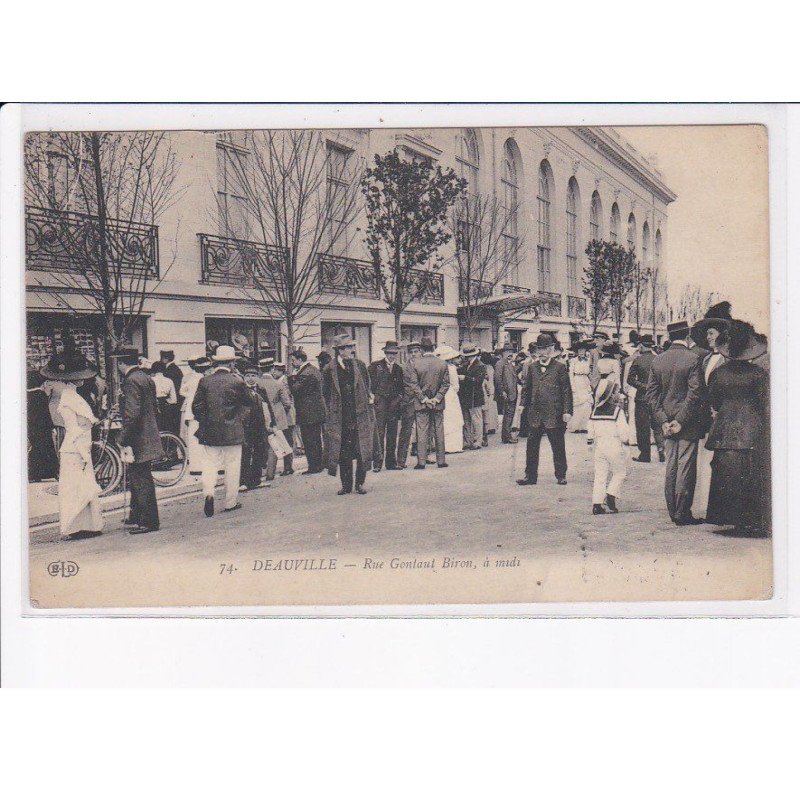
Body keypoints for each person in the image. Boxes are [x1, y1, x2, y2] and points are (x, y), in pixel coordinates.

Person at [704, 319, 770, 533]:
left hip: (724, 430)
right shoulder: (759, 374)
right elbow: (765, 402)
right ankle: (750, 519)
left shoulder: (718, 374)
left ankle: (728, 517)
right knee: (751, 473)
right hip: (752, 430)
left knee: (726, 474)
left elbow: (712, 400)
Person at [644, 320, 707, 526]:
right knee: (686, 467)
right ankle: (682, 513)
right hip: (687, 423)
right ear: (688, 337)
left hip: (666, 422)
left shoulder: (658, 360)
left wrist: (663, 420)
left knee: (671, 466)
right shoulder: (693, 359)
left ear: (669, 338)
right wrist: (680, 420)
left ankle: (673, 510)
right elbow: (695, 393)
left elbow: (651, 395)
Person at [40, 353, 104, 540]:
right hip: (75, 448)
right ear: (72, 379)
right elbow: (74, 429)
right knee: (77, 487)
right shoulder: (68, 398)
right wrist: (84, 453)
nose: (83, 379)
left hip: (80, 446)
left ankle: (87, 525)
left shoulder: (73, 396)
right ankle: (76, 526)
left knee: (81, 487)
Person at [192, 344, 253, 517]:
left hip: (210, 431)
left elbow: (196, 406)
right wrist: (239, 420)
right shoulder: (237, 381)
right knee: (232, 467)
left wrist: (205, 422)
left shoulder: (205, 381)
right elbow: (248, 404)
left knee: (209, 465)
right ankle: (230, 502)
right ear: (232, 363)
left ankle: (209, 493)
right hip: (233, 431)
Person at [689, 302, 733, 518]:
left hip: (723, 419)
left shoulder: (728, 359)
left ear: (721, 334)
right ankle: (705, 507)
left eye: (711, 332)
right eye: (707, 333)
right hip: (706, 419)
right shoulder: (706, 358)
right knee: (704, 463)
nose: (708, 337)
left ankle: (719, 509)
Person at [116, 348, 163, 534]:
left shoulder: (131, 381)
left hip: (138, 436)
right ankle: (136, 515)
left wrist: (123, 438)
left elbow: (132, 414)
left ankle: (149, 521)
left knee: (140, 478)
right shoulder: (145, 377)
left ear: (121, 363)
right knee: (139, 476)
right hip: (148, 432)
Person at [517, 333, 573, 486]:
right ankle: (530, 476)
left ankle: (561, 475)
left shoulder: (560, 367)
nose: (541, 353)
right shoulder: (532, 367)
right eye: (539, 349)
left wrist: (567, 411)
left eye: (545, 349)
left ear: (551, 349)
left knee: (558, 445)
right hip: (535, 413)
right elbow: (526, 388)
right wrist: (522, 404)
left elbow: (566, 390)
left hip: (553, 413)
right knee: (531, 446)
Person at [322, 334, 374, 495]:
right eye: (347, 347)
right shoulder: (329, 369)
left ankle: (360, 484)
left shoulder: (360, 365)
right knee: (343, 452)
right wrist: (329, 414)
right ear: (339, 350)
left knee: (361, 450)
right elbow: (325, 393)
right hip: (340, 418)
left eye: (352, 347)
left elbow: (367, 388)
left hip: (359, 416)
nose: (351, 350)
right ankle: (346, 485)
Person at [406, 336, 450, 469]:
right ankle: (441, 461)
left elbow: (414, 385)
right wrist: (437, 398)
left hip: (422, 403)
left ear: (421, 349)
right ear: (433, 348)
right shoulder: (442, 363)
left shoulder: (416, 364)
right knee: (439, 430)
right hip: (438, 402)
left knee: (422, 431)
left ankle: (421, 461)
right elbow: (446, 384)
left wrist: (424, 399)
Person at [587, 376, 629, 515]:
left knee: (600, 475)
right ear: (611, 395)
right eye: (616, 392)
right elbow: (624, 434)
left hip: (599, 446)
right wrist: (626, 443)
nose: (618, 394)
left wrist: (591, 442)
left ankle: (597, 504)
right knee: (620, 472)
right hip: (614, 445)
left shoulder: (594, 411)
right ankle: (611, 494)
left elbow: (590, 433)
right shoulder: (617, 411)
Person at [627, 334, 665, 463]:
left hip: (642, 398)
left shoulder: (637, 360)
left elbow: (630, 379)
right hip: (656, 398)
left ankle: (645, 455)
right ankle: (661, 452)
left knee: (642, 427)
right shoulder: (659, 359)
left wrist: (643, 386)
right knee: (658, 426)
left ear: (642, 346)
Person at [368, 341, 404, 472]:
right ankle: (377, 463)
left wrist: (398, 399)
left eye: (394, 353)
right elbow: (369, 384)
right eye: (390, 353)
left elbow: (401, 388)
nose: (392, 356)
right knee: (379, 433)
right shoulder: (374, 366)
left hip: (394, 405)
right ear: (385, 353)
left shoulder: (399, 369)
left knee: (392, 433)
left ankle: (391, 463)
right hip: (380, 404)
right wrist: (374, 397)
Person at [289, 349, 326, 475]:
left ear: (300, 360)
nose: (292, 363)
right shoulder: (313, 370)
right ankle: (318, 465)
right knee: (315, 439)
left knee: (310, 440)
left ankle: (314, 466)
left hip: (308, 412)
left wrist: (291, 377)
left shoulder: (305, 373)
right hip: (315, 412)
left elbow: (295, 389)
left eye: (293, 360)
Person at [240, 361, 274, 490]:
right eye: (248, 375)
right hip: (246, 427)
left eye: (253, 375)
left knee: (260, 453)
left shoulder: (261, 390)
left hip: (260, 427)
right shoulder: (241, 390)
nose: (250, 378)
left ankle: (256, 479)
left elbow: (268, 407)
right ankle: (243, 481)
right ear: (244, 377)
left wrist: (272, 423)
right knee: (245, 454)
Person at [259, 357, 295, 478]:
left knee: (265, 444)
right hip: (279, 418)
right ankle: (282, 470)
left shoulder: (257, 383)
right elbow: (287, 403)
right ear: (271, 369)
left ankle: (265, 472)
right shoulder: (278, 384)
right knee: (283, 442)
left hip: (261, 418)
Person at [180, 356, 212, 476]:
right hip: (203, 412)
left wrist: (189, 397)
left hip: (191, 412)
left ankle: (195, 467)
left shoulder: (191, 379)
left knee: (193, 440)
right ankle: (204, 465)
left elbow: (183, 392)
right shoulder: (206, 380)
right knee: (204, 441)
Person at [27, 371, 58, 481]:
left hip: (32, 427)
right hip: (43, 427)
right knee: (46, 449)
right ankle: (52, 472)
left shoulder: (27, 395)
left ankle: (35, 474)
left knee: (36, 449)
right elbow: (45, 413)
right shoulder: (40, 394)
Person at [396, 341, 422, 469]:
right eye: (411, 352)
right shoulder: (402, 368)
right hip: (408, 403)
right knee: (406, 432)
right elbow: (400, 386)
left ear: (420, 352)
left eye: (416, 352)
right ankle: (401, 460)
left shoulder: (424, 366)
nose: (413, 355)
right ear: (408, 354)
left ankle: (423, 458)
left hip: (422, 402)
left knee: (423, 431)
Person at [433, 345, 464, 454]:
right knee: (453, 419)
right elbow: (456, 385)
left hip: (440, 394)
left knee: (444, 419)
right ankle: (454, 446)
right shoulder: (451, 368)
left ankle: (442, 446)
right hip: (450, 394)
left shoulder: (436, 367)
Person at [458, 343, 486, 450]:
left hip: (475, 397)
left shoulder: (480, 365)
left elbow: (478, 381)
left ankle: (477, 441)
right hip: (466, 397)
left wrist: (465, 378)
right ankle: (468, 440)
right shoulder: (466, 365)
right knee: (466, 420)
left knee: (476, 420)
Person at [493, 342, 518, 444]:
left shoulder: (509, 363)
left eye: (511, 351)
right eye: (508, 351)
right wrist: (502, 391)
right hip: (507, 393)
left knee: (509, 415)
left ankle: (506, 436)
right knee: (508, 415)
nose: (510, 353)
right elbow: (497, 378)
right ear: (503, 352)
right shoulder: (500, 363)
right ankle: (507, 437)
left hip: (512, 393)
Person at [567, 339, 594, 433]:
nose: (581, 352)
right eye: (579, 350)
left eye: (583, 350)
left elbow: (590, 372)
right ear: (576, 351)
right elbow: (570, 374)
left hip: (585, 381)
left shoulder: (588, 360)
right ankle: (576, 426)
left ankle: (585, 426)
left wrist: (590, 384)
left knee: (587, 403)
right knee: (577, 404)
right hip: (577, 380)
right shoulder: (573, 360)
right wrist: (572, 387)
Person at [150, 360, 178, 434]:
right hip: (165, 405)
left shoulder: (150, 380)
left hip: (153, 405)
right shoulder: (169, 381)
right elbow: (174, 400)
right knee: (166, 427)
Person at [481, 351, 499, 436]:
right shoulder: (491, 367)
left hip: (487, 389)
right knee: (492, 408)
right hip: (493, 388)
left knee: (487, 409)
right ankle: (493, 426)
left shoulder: (484, 368)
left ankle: (487, 428)